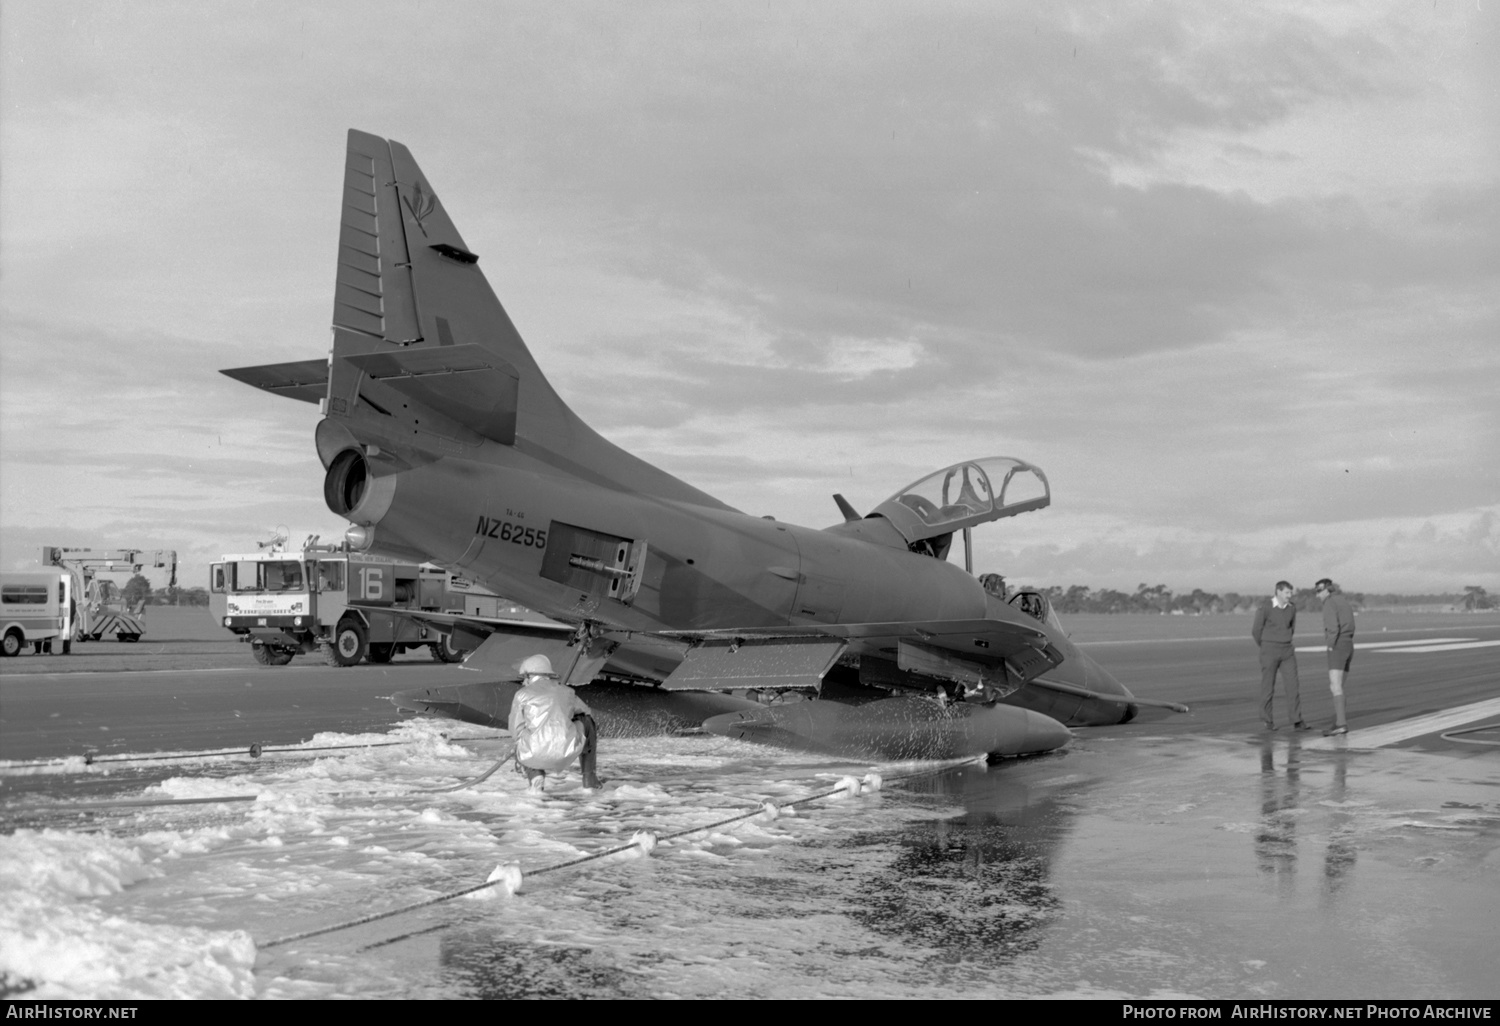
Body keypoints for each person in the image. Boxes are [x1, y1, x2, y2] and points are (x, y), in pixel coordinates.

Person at [508, 653, 602, 791]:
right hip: (565, 751)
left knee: (520, 740)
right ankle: (590, 778)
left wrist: (519, 747)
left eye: (524, 678)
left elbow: (515, 729)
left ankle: (535, 775)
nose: (523, 682)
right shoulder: (567, 691)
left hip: (533, 755)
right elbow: (586, 711)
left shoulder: (522, 694)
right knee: (588, 721)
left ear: (529, 676)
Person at [1251, 580, 1307, 731]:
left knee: (1293, 686)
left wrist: (1285, 640)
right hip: (1269, 650)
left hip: (1287, 651)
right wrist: (1265, 646)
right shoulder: (1266, 607)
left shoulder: (1292, 608)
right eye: (1287, 593)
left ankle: (1297, 720)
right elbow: (1256, 630)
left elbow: (1291, 627)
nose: (1290, 595)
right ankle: (1267, 720)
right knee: (1268, 687)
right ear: (1278, 592)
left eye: (1290, 592)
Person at [1315, 578, 1355, 736]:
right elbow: (1351, 624)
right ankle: (1340, 721)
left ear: (1326, 590)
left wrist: (1330, 644)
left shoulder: (1329, 603)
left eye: (1319, 592)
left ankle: (1341, 724)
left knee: (1335, 686)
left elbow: (1332, 627)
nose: (1318, 595)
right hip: (1348, 644)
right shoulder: (1343, 601)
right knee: (1340, 686)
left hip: (1338, 645)